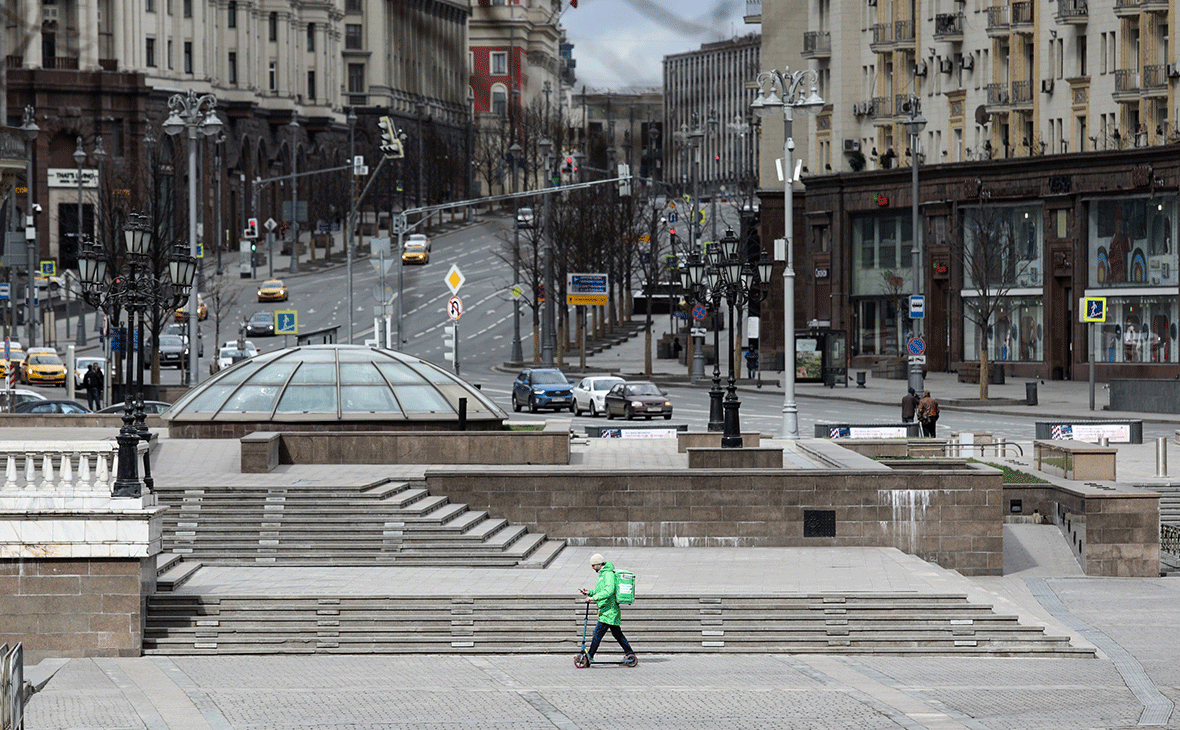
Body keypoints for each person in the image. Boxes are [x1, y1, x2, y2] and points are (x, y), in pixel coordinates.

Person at [578, 553, 635, 663]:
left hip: (609, 611)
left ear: (599, 564)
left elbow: (609, 591)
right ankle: (630, 653)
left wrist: (593, 598)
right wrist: (590, 592)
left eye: (593, 565)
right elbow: (601, 591)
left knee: (597, 634)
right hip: (606, 610)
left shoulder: (608, 574)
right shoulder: (603, 575)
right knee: (617, 634)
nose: (592, 568)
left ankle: (590, 656)